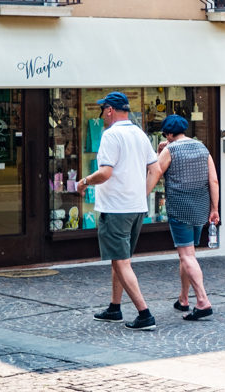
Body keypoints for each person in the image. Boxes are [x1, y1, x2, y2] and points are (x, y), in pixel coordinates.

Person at [78, 92, 161, 331]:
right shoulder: (140, 134)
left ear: (110, 110)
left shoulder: (110, 135)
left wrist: (85, 181)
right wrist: (141, 195)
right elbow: (156, 170)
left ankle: (144, 314)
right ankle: (114, 308)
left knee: (122, 262)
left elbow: (105, 173)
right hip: (136, 208)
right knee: (120, 259)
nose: (102, 115)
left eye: (103, 110)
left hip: (116, 208)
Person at [152, 114, 220, 321]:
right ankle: (183, 299)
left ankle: (202, 301)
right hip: (200, 208)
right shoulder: (202, 148)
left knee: (187, 256)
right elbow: (213, 181)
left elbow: (155, 172)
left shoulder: (170, 150)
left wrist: (159, 153)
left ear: (168, 134)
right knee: (188, 254)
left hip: (180, 208)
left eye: (166, 134)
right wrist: (214, 209)